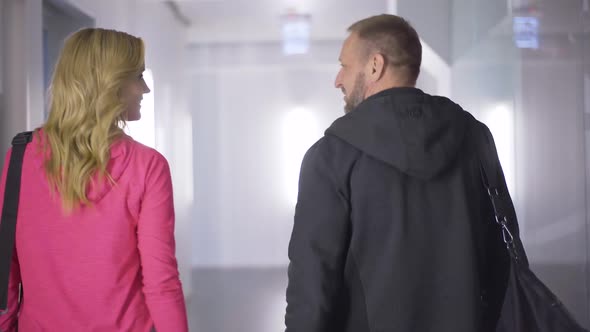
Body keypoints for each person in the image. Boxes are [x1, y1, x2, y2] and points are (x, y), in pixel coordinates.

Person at [285, 14, 512, 332]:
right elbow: (502, 261)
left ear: (375, 65)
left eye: (345, 65)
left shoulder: (330, 156)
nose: (338, 79)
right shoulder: (475, 138)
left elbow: (311, 287)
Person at [0, 28, 188, 331]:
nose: (145, 90)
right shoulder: (148, 166)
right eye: (137, 77)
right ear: (110, 84)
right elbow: (161, 282)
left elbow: (5, 273)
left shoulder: (20, 156)